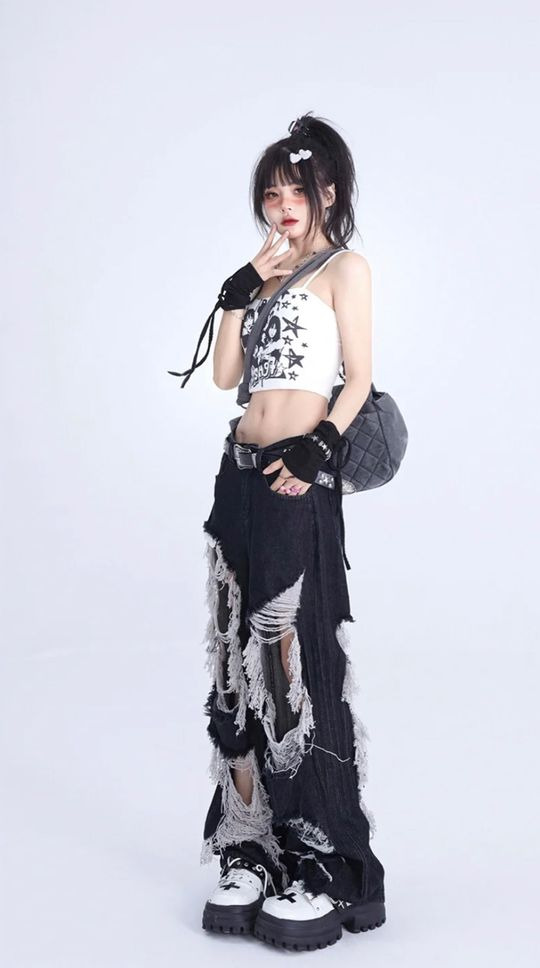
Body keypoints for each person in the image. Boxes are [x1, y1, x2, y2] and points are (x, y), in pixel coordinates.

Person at [170, 113, 386, 951]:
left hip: (297, 475)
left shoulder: (344, 269)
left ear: (329, 191)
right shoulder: (263, 278)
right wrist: (235, 293)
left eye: (298, 188)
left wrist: (321, 442)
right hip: (239, 472)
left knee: (289, 657)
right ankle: (249, 844)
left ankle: (322, 860)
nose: (283, 203)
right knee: (234, 657)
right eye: (271, 191)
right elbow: (226, 375)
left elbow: (359, 377)